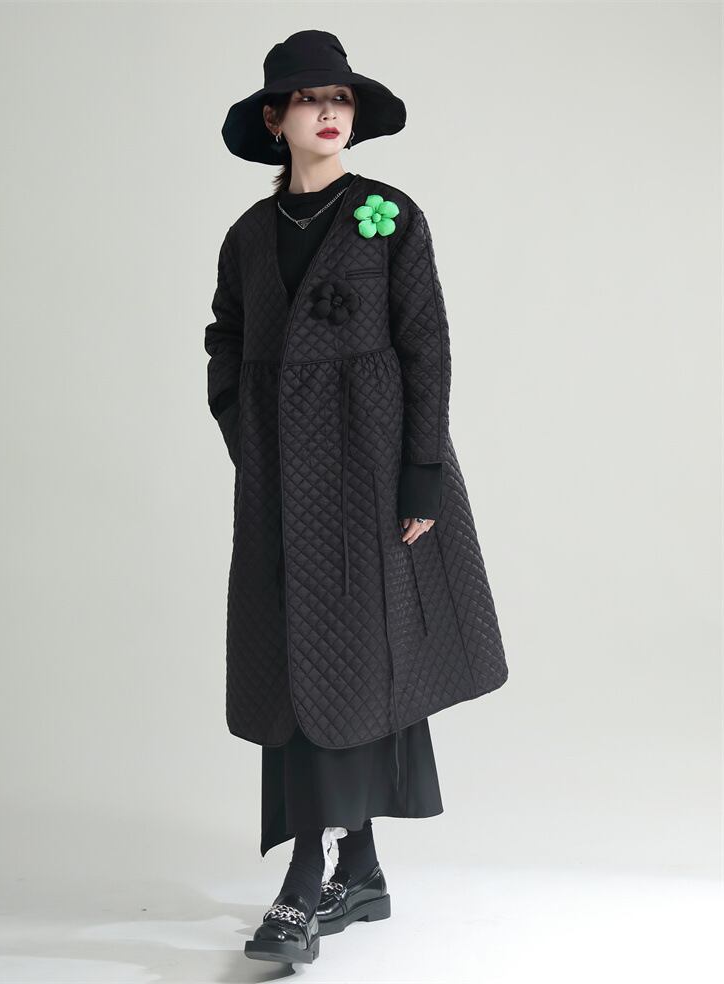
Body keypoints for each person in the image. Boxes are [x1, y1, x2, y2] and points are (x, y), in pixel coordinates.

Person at [205, 30, 509, 965]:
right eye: (309, 99)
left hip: (373, 474)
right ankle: (361, 869)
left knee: (357, 658)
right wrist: (245, 432)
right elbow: (226, 338)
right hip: (278, 485)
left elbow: (428, 346)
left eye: (339, 98)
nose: (328, 112)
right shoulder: (249, 235)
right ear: (275, 119)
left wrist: (420, 473)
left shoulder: (390, 216)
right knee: (297, 661)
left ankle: (306, 885)